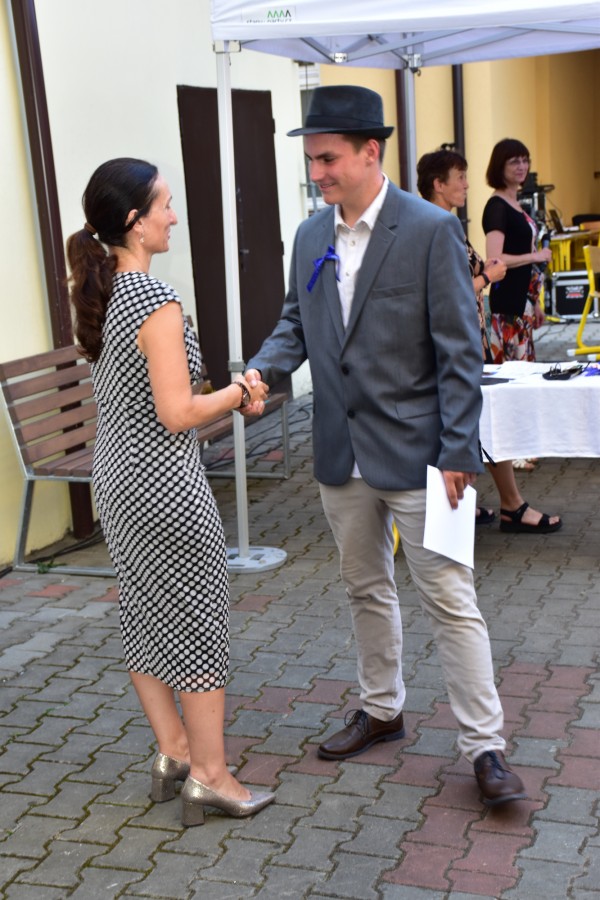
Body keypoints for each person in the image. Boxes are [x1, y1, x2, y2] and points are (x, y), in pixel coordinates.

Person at [244, 86, 526, 806]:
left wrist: (459, 449)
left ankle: (485, 746)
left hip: (424, 456)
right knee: (364, 587)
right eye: (311, 159)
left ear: (371, 152)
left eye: (328, 158)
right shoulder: (310, 235)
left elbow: (459, 352)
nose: (317, 173)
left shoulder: (430, 229)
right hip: (340, 454)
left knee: (450, 598)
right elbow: (295, 323)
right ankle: (381, 710)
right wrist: (260, 371)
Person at [66, 157, 274, 827]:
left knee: (145, 613)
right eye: (165, 206)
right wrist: (238, 392)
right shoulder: (154, 299)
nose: (174, 218)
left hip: (117, 482)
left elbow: (154, 397)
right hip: (164, 485)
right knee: (199, 623)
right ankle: (212, 776)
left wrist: (230, 397)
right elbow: (177, 411)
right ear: (135, 221)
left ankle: (175, 751)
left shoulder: (107, 295)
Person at [417, 148, 561, 535]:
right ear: (438, 184)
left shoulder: (442, 223)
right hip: (454, 345)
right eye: (460, 177)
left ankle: (464, 503)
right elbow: (446, 294)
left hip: (466, 339)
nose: (467, 185)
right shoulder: (436, 227)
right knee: (482, 419)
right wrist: (489, 277)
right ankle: (506, 505)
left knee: (474, 420)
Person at [482, 138, 552, 364]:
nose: (522, 166)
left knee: (525, 369)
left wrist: (534, 302)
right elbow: (495, 259)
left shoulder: (515, 204)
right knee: (514, 374)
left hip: (523, 302)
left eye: (525, 160)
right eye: (514, 161)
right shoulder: (497, 207)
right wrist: (536, 256)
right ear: (499, 166)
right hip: (508, 304)